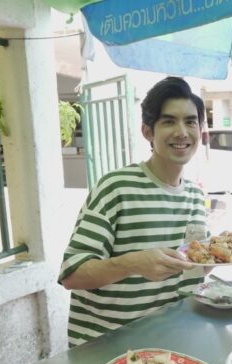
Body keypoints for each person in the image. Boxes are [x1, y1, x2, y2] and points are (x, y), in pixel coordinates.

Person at [58, 77, 208, 347]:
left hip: (167, 346)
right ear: (147, 132)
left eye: (190, 121)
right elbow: (72, 273)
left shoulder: (196, 197)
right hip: (105, 350)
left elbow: (186, 279)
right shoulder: (116, 187)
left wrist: (207, 263)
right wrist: (134, 263)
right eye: (169, 121)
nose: (182, 132)